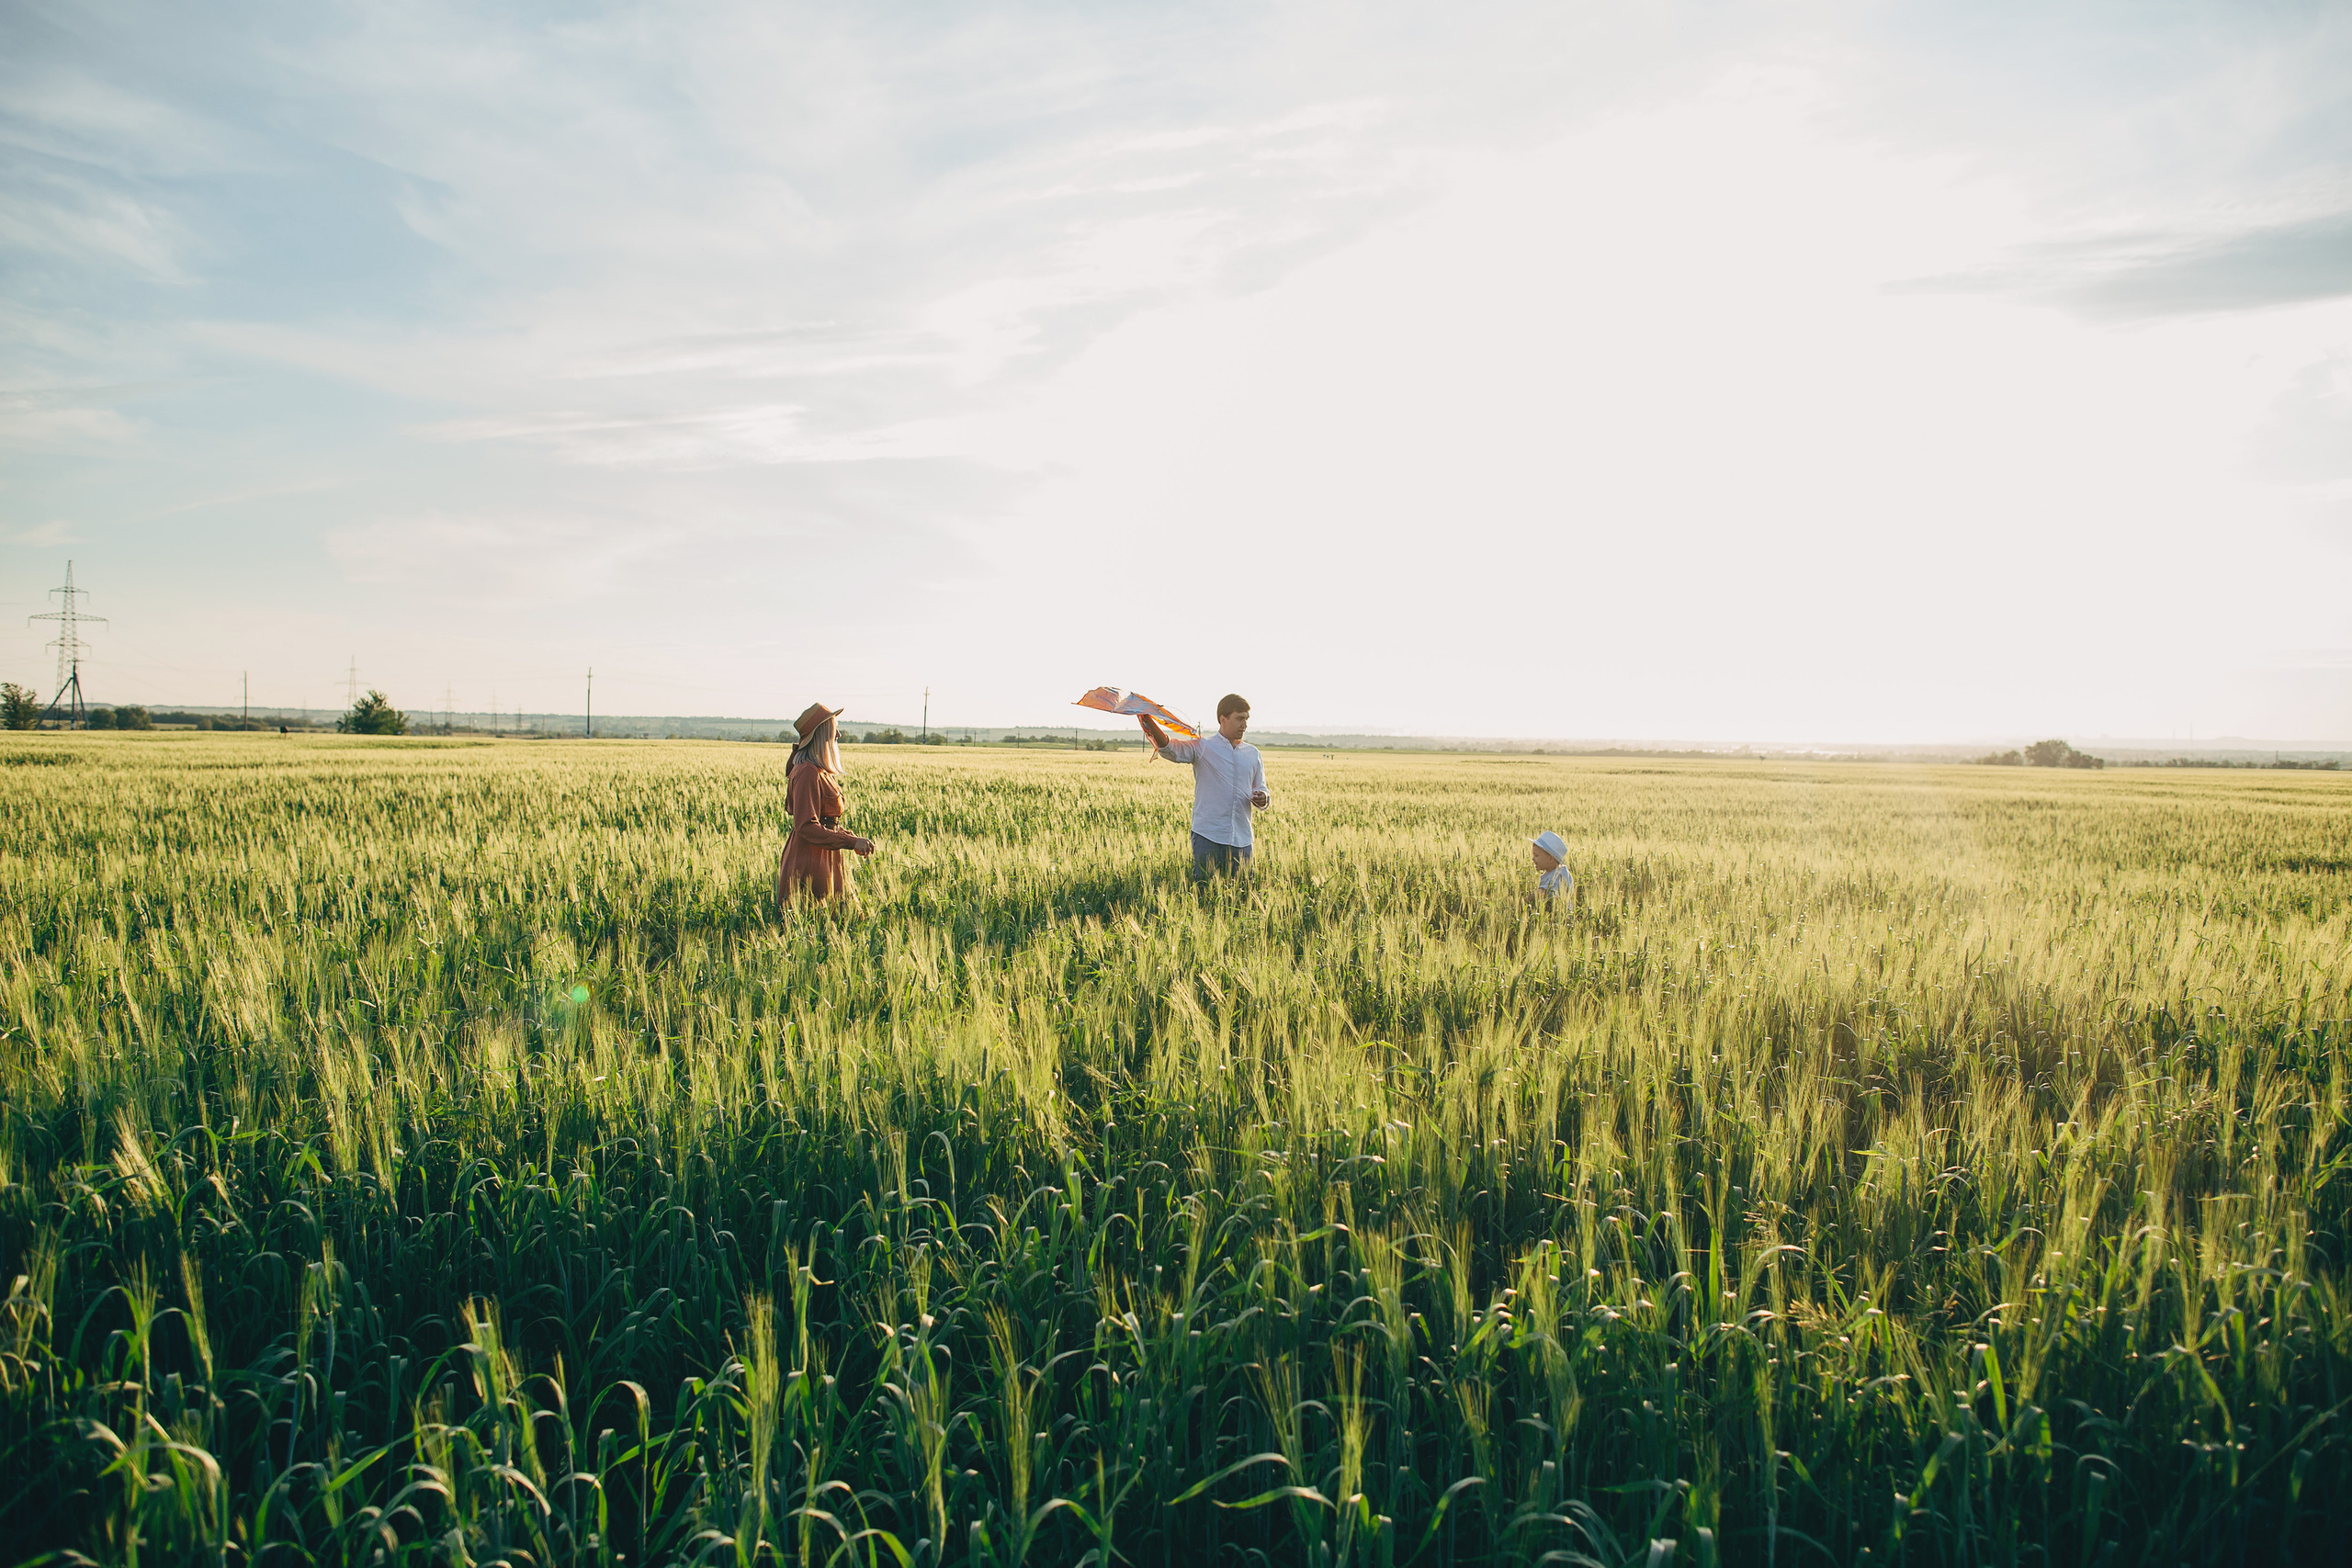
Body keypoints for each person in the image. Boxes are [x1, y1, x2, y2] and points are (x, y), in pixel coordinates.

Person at [1138, 694, 1271, 877]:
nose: (1244, 724)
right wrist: (1147, 719)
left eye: (1246, 719)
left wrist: (1263, 797)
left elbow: (1261, 787)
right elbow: (1170, 749)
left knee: (1242, 893)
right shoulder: (1203, 747)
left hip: (1242, 838)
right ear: (1222, 719)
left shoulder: (1253, 753)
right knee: (1204, 892)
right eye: (1239, 718)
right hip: (1208, 836)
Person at [776, 702, 876, 908]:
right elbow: (805, 826)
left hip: (827, 854)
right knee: (816, 923)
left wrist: (851, 839)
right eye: (833, 728)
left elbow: (829, 822)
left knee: (838, 922)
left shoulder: (820, 771)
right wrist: (849, 842)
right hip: (811, 860)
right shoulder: (807, 772)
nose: (838, 735)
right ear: (821, 734)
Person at [1530, 829, 1574, 906]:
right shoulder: (1550, 873)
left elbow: (1543, 893)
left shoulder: (1559, 875)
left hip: (1560, 916)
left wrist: (1523, 900)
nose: (1533, 859)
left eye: (1536, 855)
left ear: (1550, 858)